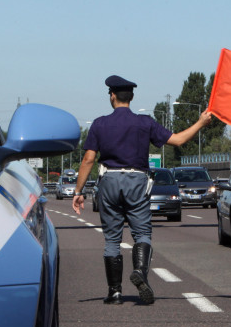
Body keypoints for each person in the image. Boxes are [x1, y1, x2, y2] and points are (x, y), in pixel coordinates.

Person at [73, 75, 213, 305]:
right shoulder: (145, 123)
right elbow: (177, 140)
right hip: (137, 180)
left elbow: (88, 159)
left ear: (112, 96)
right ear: (132, 97)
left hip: (109, 180)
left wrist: (78, 191)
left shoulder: (99, 124)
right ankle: (139, 270)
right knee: (142, 233)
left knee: (111, 239)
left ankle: (115, 292)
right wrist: (200, 122)